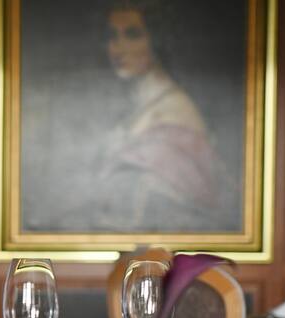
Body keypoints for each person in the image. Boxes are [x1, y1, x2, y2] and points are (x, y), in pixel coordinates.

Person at [89, 1, 236, 232]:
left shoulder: (175, 113)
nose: (118, 47)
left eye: (132, 35)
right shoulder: (134, 107)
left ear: (157, 40)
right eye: (112, 36)